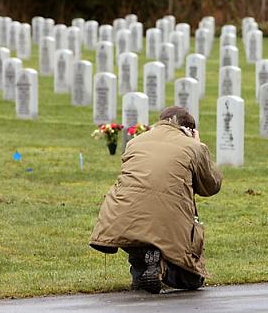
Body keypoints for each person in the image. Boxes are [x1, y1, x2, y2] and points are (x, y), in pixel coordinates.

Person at [89, 106, 223, 294]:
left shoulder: (135, 142)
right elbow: (212, 186)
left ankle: (140, 268)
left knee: (139, 225)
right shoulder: (193, 147)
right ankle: (162, 268)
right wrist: (198, 145)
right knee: (193, 280)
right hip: (167, 219)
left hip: (120, 217)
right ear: (190, 130)